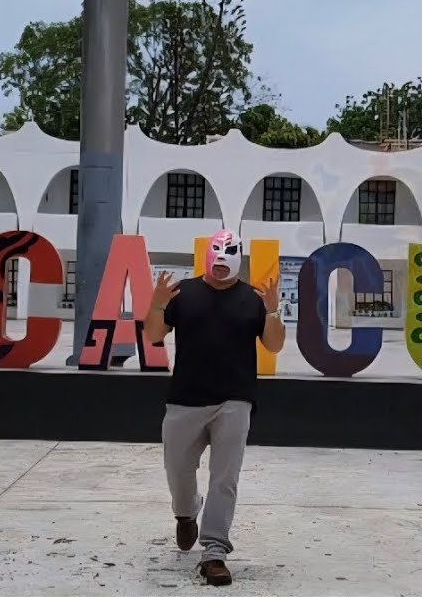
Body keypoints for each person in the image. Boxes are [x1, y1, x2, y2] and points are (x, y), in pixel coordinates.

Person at [142, 229, 285, 587]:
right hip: (184, 399)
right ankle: (186, 512)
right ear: (207, 255)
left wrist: (271, 312)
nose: (221, 261)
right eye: (216, 253)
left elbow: (274, 344)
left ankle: (215, 552)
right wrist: (158, 302)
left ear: (239, 256)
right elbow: (153, 334)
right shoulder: (184, 292)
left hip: (234, 400)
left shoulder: (252, 299)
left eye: (229, 253)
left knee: (225, 477)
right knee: (178, 470)